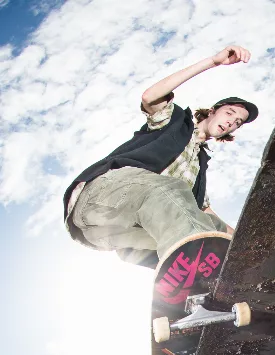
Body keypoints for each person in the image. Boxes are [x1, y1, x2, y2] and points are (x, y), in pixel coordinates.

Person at [63, 44, 257, 269]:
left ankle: (212, 287)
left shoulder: (199, 168)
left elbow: (206, 214)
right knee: (169, 191)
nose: (231, 122)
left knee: (209, 227)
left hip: (107, 234)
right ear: (213, 110)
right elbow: (150, 97)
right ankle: (200, 263)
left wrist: (245, 247)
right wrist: (213, 61)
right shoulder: (174, 122)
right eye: (229, 113)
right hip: (99, 198)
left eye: (237, 123)